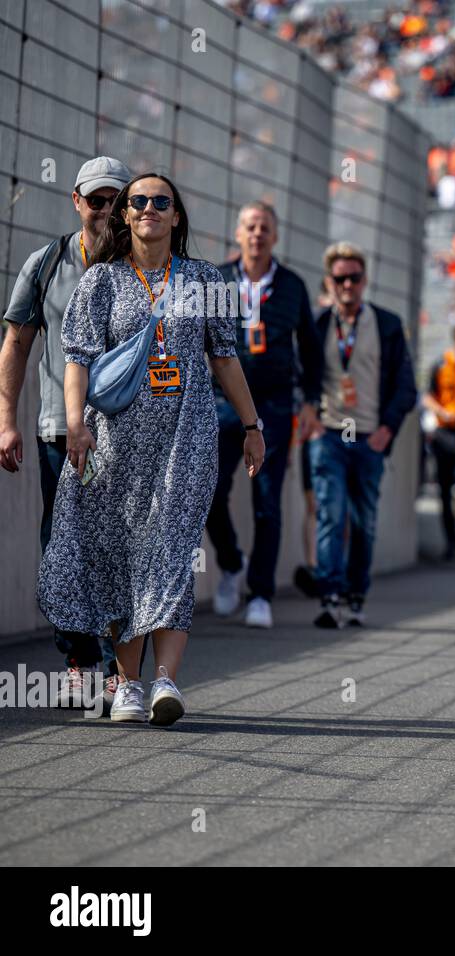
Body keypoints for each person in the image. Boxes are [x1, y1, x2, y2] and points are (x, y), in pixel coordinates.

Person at [38, 172, 266, 725]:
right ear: (125, 215)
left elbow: (225, 358)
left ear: (177, 216)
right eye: (137, 202)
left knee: (169, 555)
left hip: (185, 443)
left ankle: (165, 682)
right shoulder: (102, 283)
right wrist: (75, 424)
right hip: (115, 446)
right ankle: (128, 685)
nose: (148, 209)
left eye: (160, 202)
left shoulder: (207, 280)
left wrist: (253, 425)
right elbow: (78, 360)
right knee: (118, 561)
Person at [1, 156, 130, 709]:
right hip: (60, 430)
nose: (105, 210)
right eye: (95, 199)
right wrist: (6, 419)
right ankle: (78, 662)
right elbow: (17, 343)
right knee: (64, 547)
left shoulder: (143, 265)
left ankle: (118, 668)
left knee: (122, 549)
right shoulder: (47, 262)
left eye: (115, 200)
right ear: (76, 201)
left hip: (129, 434)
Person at [206, 201, 321, 629]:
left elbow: (309, 347)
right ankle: (232, 563)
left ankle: (260, 594)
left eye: (265, 228)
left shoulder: (291, 285)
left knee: (267, 502)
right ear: (238, 234)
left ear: (275, 236)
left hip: (274, 404)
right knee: (209, 492)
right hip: (222, 401)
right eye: (250, 227)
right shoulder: (217, 279)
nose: (257, 234)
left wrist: (309, 402)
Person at [305, 242, 417, 628]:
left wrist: (387, 429)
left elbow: (406, 386)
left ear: (365, 280)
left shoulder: (386, 324)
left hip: (370, 436)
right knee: (331, 515)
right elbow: (300, 375)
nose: (348, 284)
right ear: (329, 282)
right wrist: (309, 415)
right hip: (329, 435)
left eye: (354, 277)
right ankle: (330, 594)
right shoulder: (318, 324)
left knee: (363, 521)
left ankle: (356, 594)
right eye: (340, 278)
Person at [423, 322, 455, 560]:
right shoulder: (441, 365)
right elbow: (427, 397)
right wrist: (442, 413)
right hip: (445, 435)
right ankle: (450, 542)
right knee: (444, 490)